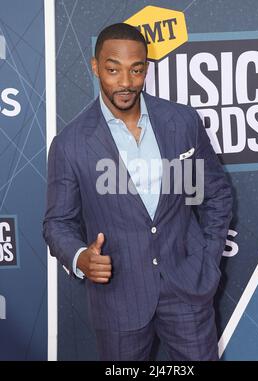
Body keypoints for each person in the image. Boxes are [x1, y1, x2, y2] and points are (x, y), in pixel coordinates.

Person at [43, 23, 233, 361]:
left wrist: (208, 256)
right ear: (95, 67)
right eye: (113, 69)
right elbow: (58, 223)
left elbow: (215, 193)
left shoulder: (182, 122)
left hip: (187, 288)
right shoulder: (70, 145)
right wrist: (79, 258)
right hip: (119, 300)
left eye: (137, 69)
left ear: (146, 67)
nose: (126, 82)